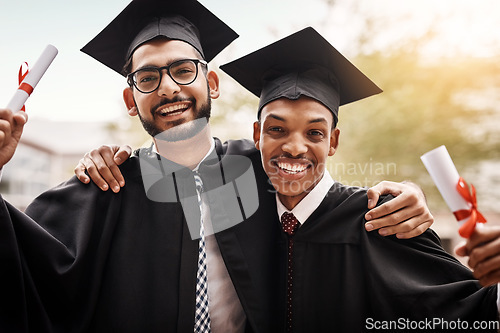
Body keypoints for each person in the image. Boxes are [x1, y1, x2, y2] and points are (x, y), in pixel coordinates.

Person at [0, 1, 430, 333]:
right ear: (131, 101)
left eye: (184, 70)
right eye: (148, 79)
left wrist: (407, 195)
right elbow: (25, 270)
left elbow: (328, 198)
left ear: (213, 83)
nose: (168, 87)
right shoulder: (105, 190)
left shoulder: (259, 169)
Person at [219, 26, 500, 332]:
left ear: (333, 142)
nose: (295, 147)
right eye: (277, 129)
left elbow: (474, 311)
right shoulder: (243, 209)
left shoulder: (380, 218)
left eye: (314, 133)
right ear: (257, 135)